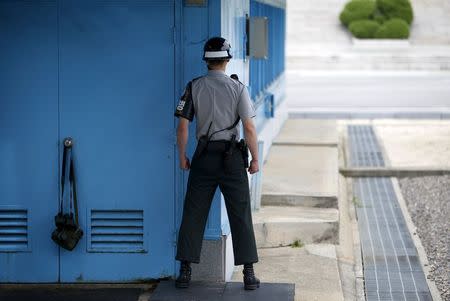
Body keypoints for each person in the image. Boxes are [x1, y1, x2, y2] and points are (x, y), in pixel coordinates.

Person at [173, 37, 260, 290]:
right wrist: (255, 158)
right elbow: (250, 127)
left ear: (206, 61)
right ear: (227, 59)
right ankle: (249, 273)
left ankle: (185, 271)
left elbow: (182, 127)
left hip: (203, 158)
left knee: (193, 212)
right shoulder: (239, 88)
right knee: (240, 213)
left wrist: (182, 157)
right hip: (232, 158)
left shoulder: (194, 86)